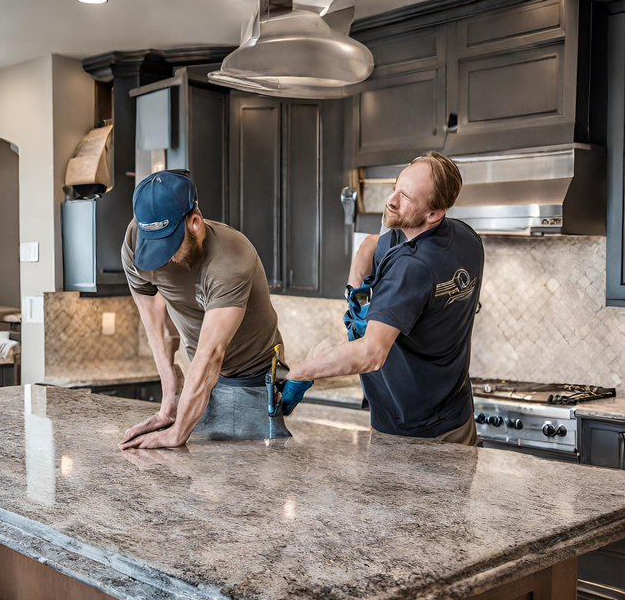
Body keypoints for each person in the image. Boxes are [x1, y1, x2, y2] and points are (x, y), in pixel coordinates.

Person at [287, 152, 484, 445]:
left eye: (405, 198)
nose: (390, 201)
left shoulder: (412, 268)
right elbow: (371, 244)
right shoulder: (466, 237)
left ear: (433, 214)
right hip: (458, 415)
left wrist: (300, 373)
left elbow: (371, 354)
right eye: (395, 188)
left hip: (416, 435)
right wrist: (355, 295)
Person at [119, 170, 283, 450]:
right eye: (154, 245)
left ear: (194, 222)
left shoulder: (230, 258)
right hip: (199, 375)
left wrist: (177, 432)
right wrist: (169, 391)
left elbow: (211, 357)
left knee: (240, 483)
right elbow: (153, 317)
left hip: (250, 381)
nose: (164, 256)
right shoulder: (137, 239)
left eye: (169, 244)